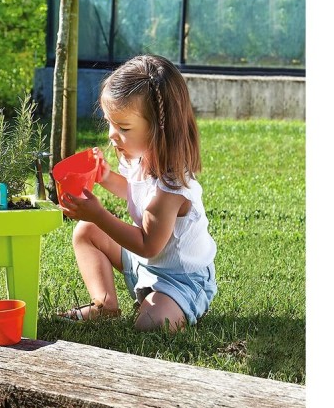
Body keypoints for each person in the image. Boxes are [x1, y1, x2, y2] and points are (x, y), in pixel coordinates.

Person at [57, 54, 217, 332]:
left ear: (159, 129)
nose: (111, 134)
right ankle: (104, 304)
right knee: (86, 231)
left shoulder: (172, 188)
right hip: (144, 265)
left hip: (181, 279)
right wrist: (105, 176)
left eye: (123, 127)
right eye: (110, 122)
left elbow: (147, 244)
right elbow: (135, 192)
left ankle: (176, 305)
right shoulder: (140, 158)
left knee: (149, 325)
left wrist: (99, 215)